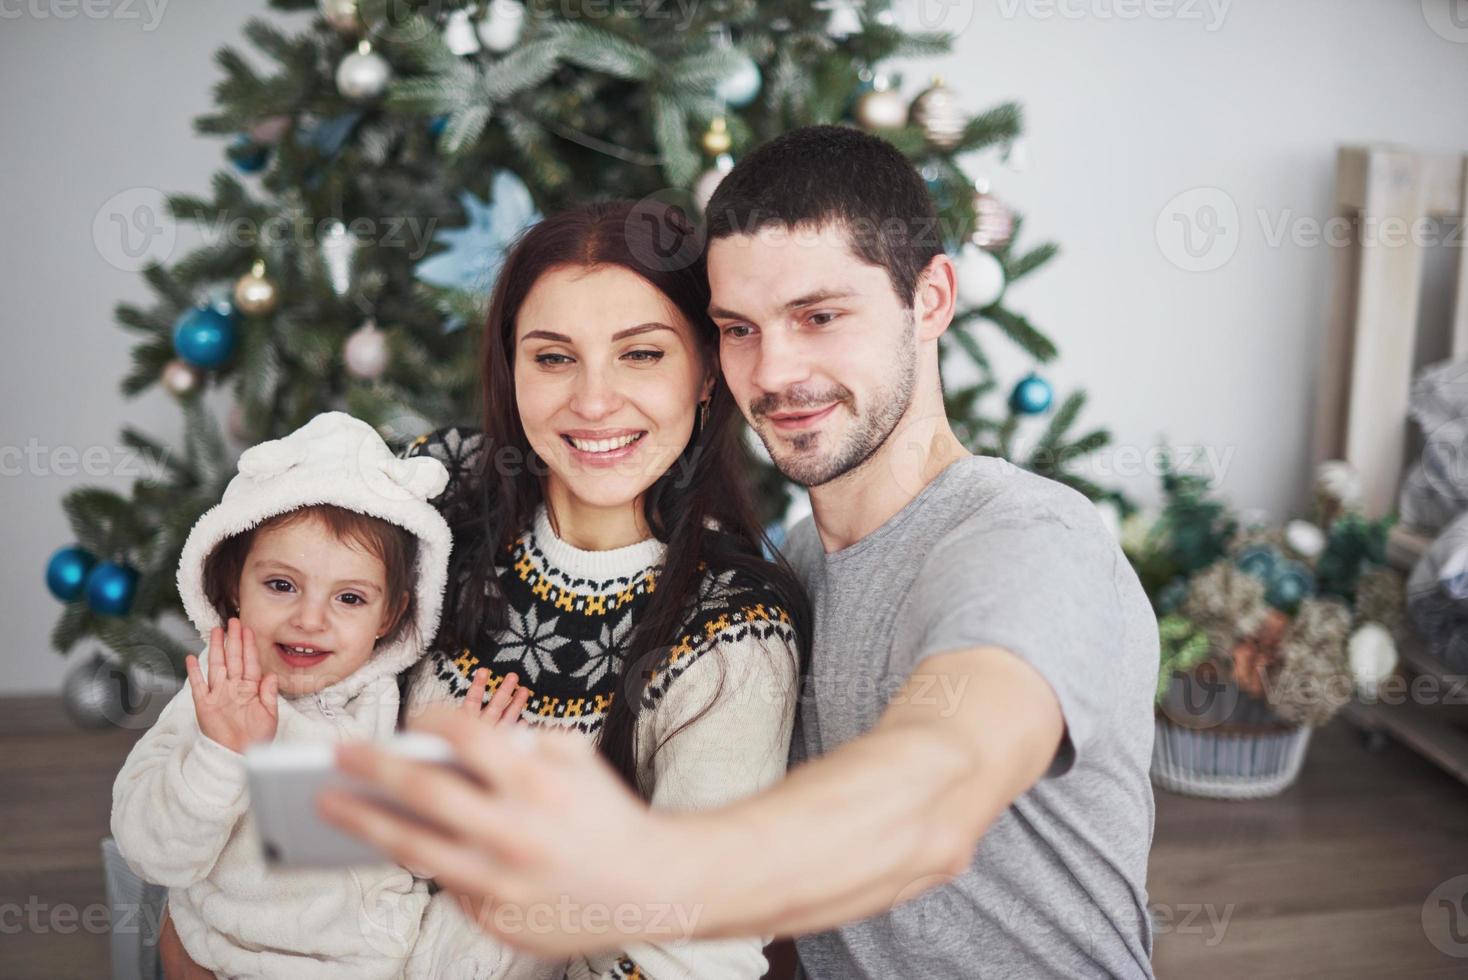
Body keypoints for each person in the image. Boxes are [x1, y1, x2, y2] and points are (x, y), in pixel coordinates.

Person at [320, 125, 1160, 979]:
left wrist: (614, 876)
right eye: (740, 328)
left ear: (932, 298)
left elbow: (934, 802)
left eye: (820, 316)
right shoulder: (798, 564)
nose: (777, 371)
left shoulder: (1029, 543)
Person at [110, 410, 467, 978]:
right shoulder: (215, 698)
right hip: (244, 960)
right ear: (233, 585)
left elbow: (417, 858)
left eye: (349, 598)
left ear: (390, 615)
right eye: (282, 585)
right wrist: (221, 753)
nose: (309, 619)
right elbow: (153, 855)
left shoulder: (389, 700)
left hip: (386, 956)